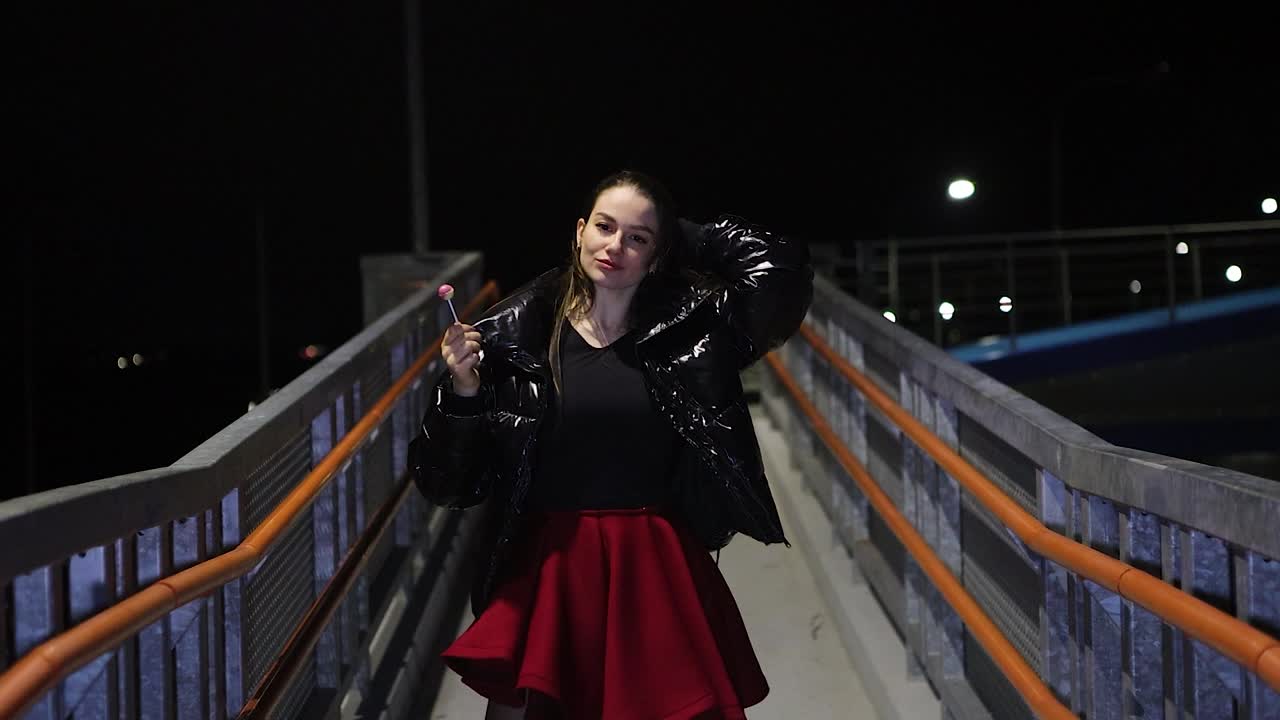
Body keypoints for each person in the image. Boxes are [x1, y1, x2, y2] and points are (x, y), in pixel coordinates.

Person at [409, 170, 813, 719]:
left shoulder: (692, 331)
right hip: (549, 565)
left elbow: (778, 268)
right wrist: (462, 393)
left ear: (657, 253)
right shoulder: (513, 335)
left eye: (637, 238)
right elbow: (448, 484)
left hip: (652, 563)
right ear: (579, 232)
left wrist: (678, 230)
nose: (614, 246)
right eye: (604, 227)